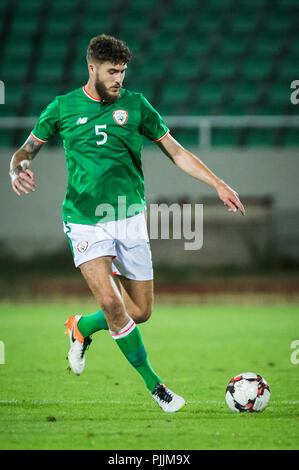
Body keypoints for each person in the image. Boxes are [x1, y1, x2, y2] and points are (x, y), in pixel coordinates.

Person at [9, 34, 245, 413]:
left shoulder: (137, 106)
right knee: (109, 300)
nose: (119, 78)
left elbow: (177, 152)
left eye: (123, 71)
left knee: (139, 312)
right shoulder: (62, 108)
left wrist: (217, 183)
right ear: (92, 69)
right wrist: (17, 168)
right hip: (85, 221)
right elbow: (26, 150)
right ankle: (157, 388)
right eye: (112, 71)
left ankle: (81, 327)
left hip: (129, 218)